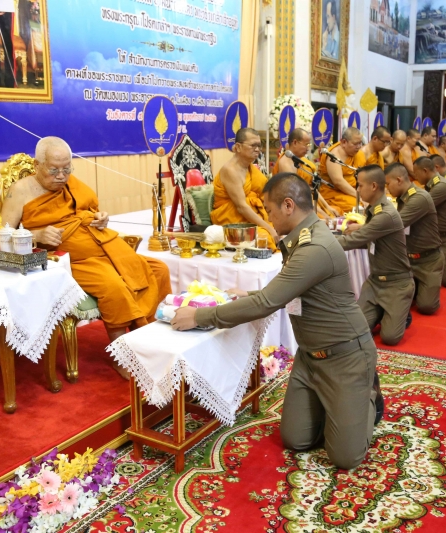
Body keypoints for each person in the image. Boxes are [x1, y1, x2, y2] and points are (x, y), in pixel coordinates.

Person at [171, 173, 378, 471]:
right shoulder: (301, 238)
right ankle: (334, 407)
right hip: (310, 358)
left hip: (345, 358)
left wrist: (199, 316)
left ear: (289, 206)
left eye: (269, 210)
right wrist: (252, 292)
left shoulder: (314, 247)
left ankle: (368, 398)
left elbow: (268, 303)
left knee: (345, 458)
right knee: (296, 439)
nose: (266, 217)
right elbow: (292, 293)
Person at [0, 137, 171, 379]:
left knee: (159, 269)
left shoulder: (72, 184)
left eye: (67, 169)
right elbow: (1, 239)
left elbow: (88, 211)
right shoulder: (20, 191)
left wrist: (101, 218)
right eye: (53, 170)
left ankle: (150, 340)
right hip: (67, 260)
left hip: (104, 244)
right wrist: (35, 234)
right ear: (37, 165)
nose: (61, 176)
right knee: (114, 287)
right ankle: (121, 356)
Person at [337, 165, 414, 346]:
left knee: (390, 338)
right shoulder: (373, 210)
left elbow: (353, 241)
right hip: (375, 282)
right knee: (355, 330)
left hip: (397, 284)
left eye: (360, 185)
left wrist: (320, 241)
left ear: (373, 186)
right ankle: (381, 311)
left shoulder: (386, 214)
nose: (357, 189)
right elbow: (366, 240)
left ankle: (397, 311)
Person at [385, 163, 444, 315]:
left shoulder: (420, 198)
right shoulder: (402, 197)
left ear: (399, 180)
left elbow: (395, 224)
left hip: (428, 260)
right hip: (407, 261)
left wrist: (362, 227)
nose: (387, 188)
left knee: (427, 307)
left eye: (388, 183)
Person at [211, 127, 279, 248]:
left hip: (250, 217)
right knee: (266, 238)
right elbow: (242, 207)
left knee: (282, 227)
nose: (257, 149)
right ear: (238, 147)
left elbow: (266, 192)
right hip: (232, 220)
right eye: (253, 145)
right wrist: (269, 228)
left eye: (259, 145)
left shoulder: (249, 167)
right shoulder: (230, 170)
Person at [413, 157, 446, 288]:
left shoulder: (442, 185)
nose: (415, 176)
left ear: (424, 171)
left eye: (416, 173)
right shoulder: (430, 185)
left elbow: (421, 207)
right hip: (434, 237)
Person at [274, 128, 340, 218]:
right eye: (306, 145)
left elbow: (311, 188)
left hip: (308, 200)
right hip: (295, 204)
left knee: (334, 212)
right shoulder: (285, 163)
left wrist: (327, 208)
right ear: (295, 142)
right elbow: (296, 195)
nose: (308, 148)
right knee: (322, 218)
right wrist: (320, 212)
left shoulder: (302, 162)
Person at [318, 127, 367, 213]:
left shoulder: (359, 154)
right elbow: (338, 182)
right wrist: (359, 196)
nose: (359, 147)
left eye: (360, 143)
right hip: (334, 193)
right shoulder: (333, 155)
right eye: (355, 144)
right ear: (344, 142)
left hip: (353, 191)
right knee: (358, 205)